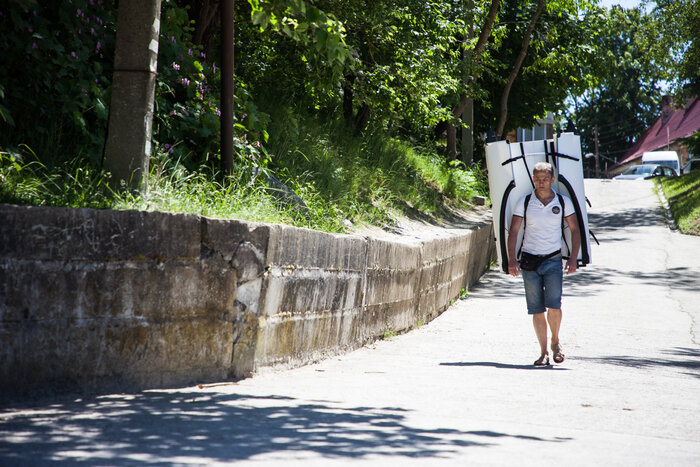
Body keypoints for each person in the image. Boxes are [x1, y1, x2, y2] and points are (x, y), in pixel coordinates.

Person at [507, 162, 580, 366]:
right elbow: (513, 231)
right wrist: (512, 259)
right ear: (533, 178)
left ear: (552, 180)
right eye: (538, 178)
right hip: (529, 261)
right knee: (536, 309)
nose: (541, 182)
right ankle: (544, 352)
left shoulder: (563, 202)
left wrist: (573, 258)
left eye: (545, 179)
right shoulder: (525, 201)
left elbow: (575, 230)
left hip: (553, 260)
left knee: (554, 305)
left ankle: (556, 343)